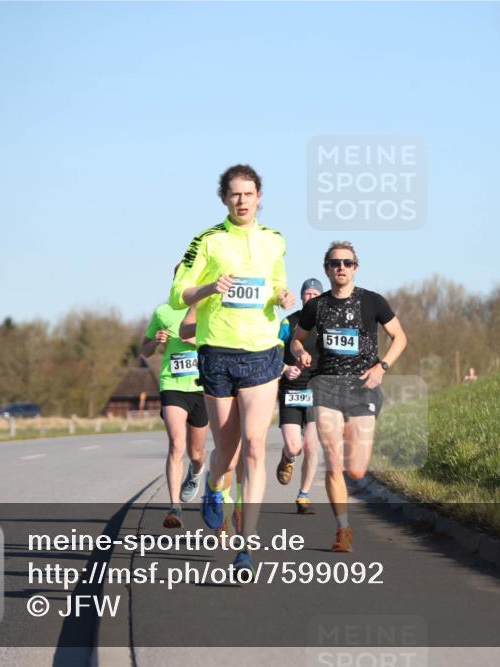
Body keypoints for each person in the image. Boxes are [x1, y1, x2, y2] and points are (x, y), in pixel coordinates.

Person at [170, 164, 294, 571]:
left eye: (249, 193)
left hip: (262, 352)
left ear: (260, 197)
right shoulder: (208, 241)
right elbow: (177, 294)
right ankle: (211, 484)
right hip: (218, 354)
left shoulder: (275, 241)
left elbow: (276, 279)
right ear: (224, 198)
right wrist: (209, 288)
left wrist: (282, 295)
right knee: (228, 452)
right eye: (234, 194)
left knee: (256, 447)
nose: (242, 201)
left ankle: (247, 546)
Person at [292, 241, 407, 553]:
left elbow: (400, 337)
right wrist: (300, 351)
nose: (340, 267)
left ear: (356, 267)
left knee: (355, 470)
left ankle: (350, 440)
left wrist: (383, 367)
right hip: (325, 384)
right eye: (334, 263)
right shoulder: (315, 307)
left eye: (346, 262)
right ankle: (343, 529)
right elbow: (296, 340)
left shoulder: (373, 301)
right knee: (332, 458)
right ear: (326, 268)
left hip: (363, 387)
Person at [140, 270, 207, 529]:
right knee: (176, 445)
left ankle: (197, 472)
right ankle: (175, 507)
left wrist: (196, 339)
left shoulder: (209, 310)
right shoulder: (163, 312)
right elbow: (144, 349)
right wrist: (155, 342)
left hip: (201, 387)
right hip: (172, 384)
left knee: (196, 452)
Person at [275, 278, 323, 514]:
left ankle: (303, 495)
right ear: (302, 296)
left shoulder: (327, 326)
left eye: (316, 293)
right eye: (308, 293)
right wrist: (286, 370)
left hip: (318, 392)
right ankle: (287, 457)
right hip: (292, 389)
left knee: (312, 446)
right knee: (295, 446)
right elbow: (273, 353)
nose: (311, 297)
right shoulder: (289, 322)